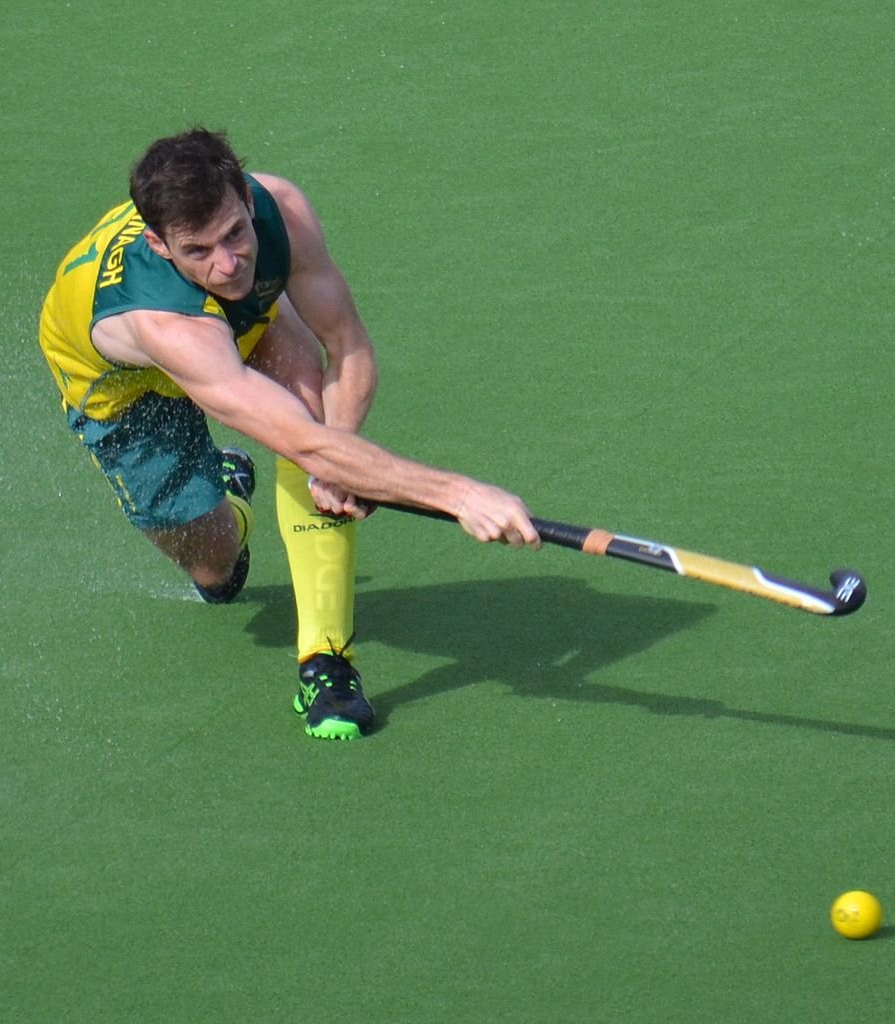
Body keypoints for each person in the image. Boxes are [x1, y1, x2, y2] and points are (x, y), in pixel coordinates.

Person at [39, 127, 540, 741]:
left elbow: (348, 347)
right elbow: (304, 446)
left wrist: (336, 454)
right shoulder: (166, 325)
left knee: (310, 409)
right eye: (197, 251)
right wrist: (459, 495)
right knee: (216, 569)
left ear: (247, 202)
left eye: (234, 234)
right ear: (159, 245)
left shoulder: (282, 209)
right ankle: (227, 496)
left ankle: (326, 664)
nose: (226, 265)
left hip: (239, 332)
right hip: (118, 390)